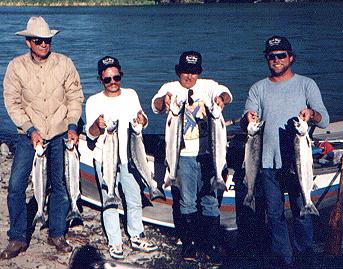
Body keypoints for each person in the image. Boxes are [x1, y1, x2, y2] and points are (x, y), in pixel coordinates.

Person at [240, 36, 329, 268]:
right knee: (274, 214)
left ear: (291, 58)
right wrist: (247, 119)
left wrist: (312, 114)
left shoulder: (306, 84)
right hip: (268, 163)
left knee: (302, 210)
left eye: (281, 55)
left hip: (297, 162)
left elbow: (324, 120)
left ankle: (305, 256)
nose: (276, 60)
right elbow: (247, 118)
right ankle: (283, 259)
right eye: (271, 56)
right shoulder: (258, 88)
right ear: (266, 59)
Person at [1, 16, 84, 259]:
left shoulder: (65, 63)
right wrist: (30, 129)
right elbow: (12, 103)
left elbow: (75, 97)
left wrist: (72, 125)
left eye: (47, 40)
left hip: (59, 134)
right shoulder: (16, 67)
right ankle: (17, 237)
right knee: (16, 186)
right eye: (38, 41)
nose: (44, 45)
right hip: (29, 137)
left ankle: (57, 233)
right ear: (28, 42)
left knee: (58, 186)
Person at [151, 51, 232, 264]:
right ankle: (190, 244)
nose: (189, 76)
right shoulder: (170, 88)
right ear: (178, 71)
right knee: (187, 202)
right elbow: (156, 105)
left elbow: (226, 94)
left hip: (208, 155)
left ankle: (210, 244)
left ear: (200, 72)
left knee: (210, 200)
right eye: (185, 71)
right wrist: (164, 101)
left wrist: (221, 99)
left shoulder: (208, 85)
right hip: (183, 156)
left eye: (194, 72)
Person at [85, 56, 158, 260]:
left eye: (116, 77)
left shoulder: (131, 95)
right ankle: (115, 242)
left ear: (121, 76)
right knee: (109, 200)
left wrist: (143, 121)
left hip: (130, 159)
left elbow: (142, 121)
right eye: (107, 79)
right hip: (105, 159)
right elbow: (90, 135)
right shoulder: (93, 101)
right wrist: (96, 127)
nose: (113, 82)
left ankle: (136, 235)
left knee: (134, 198)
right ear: (100, 80)